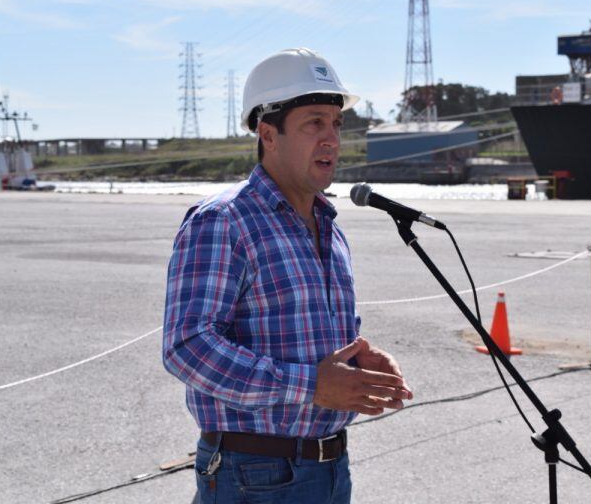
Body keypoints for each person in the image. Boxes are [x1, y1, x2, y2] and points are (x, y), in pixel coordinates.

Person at [163, 47, 413, 504]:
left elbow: (312, 346)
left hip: (330, 469)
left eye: (337, 123)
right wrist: (313, 385)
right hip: (255, 475)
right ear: (268, 134)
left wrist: (360, 366)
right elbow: (188, 347)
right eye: (314, 122)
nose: (332, 138)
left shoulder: (330, 228)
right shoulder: (224, 220)